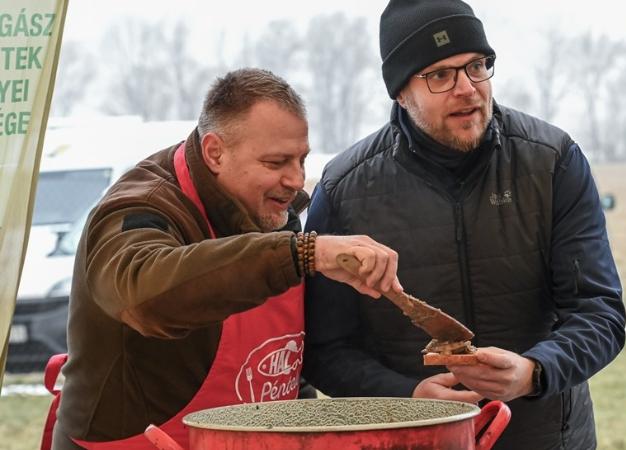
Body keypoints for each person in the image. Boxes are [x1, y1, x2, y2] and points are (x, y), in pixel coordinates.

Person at [302, 1, 626, 449]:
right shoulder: (343, 189)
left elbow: (600, 313)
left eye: (476, 66)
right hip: (410, 441)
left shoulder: (552, 162)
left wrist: (534, 372)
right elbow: (323, 349)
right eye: (440, 75)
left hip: (547, 437)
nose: (467, 89)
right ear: (400, 91)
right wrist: (407, 398)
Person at [45, 68, 401, 450]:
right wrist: (304, 253)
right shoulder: (141, 207)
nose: (297, 180)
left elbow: (285, 361)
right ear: (215, 152)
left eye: (301, 159)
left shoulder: (273, 212)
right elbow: (142, 296)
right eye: (276, 162)